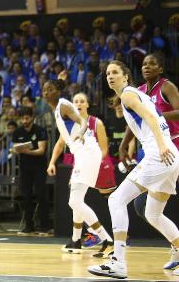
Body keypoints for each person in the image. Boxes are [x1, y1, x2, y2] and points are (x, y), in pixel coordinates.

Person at [88, 61, 179, 279]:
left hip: (160, 155)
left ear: (126, 76)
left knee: (115, 200)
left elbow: (150, 118)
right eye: (108, 73)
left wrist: (161, 145)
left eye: (115, 72)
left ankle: (118, 263)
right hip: (170, 156)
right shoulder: (134, 95)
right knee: (153, 214)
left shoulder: (128, 95)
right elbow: (150, 118)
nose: (110, 76)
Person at [118, 53, 179, 272]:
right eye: (144, 64)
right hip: (152, 150)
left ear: (161, 68)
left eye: (152, 63)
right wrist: (124, 143)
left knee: (137, 204)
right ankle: (177, 246)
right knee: (145, 208)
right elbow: (134, 121)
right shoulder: (139, 91)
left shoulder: (167, 87)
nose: (147, 66)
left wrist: (159, 117)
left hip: (171, 146)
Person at [46, 89, 113, 257]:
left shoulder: (87, 119)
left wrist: (83, 133)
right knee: (77, 201)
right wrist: (52, 162)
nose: (79, 104)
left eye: (82, 101)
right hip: (83, 157)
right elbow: (61, 143)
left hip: (89, 156)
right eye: (76, 101)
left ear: (87, 104)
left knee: (75, 201)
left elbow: (86, 127)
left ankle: (105, 239)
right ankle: (76, 241)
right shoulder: (63, 115)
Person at [12, 106, 50, 234]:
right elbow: (15, 149)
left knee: (41, 195)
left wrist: (27, 151)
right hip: (24, 167)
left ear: (32, 118)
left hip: (39, 167)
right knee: (26, 196)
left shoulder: (40, 130)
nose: (24, 121)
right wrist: (17, 150)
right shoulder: (17, 132)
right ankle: (29, 225)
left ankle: (45, 225)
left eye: (27, 118)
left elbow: (41, 150)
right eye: (22, 118)